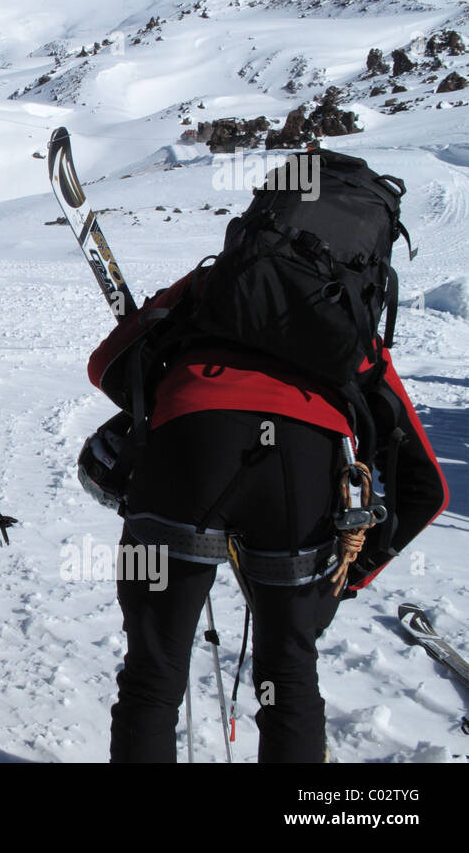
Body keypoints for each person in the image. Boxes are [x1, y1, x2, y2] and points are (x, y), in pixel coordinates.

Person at [89, 268, 448, 762]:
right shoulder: (347, 315)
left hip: (186, 454)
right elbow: (427, 488)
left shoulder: (214, 283)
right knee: (289, 678)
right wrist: (346, 577)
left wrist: (166, 402)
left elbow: (104, 365)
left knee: (152, 674)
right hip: (301, 479)